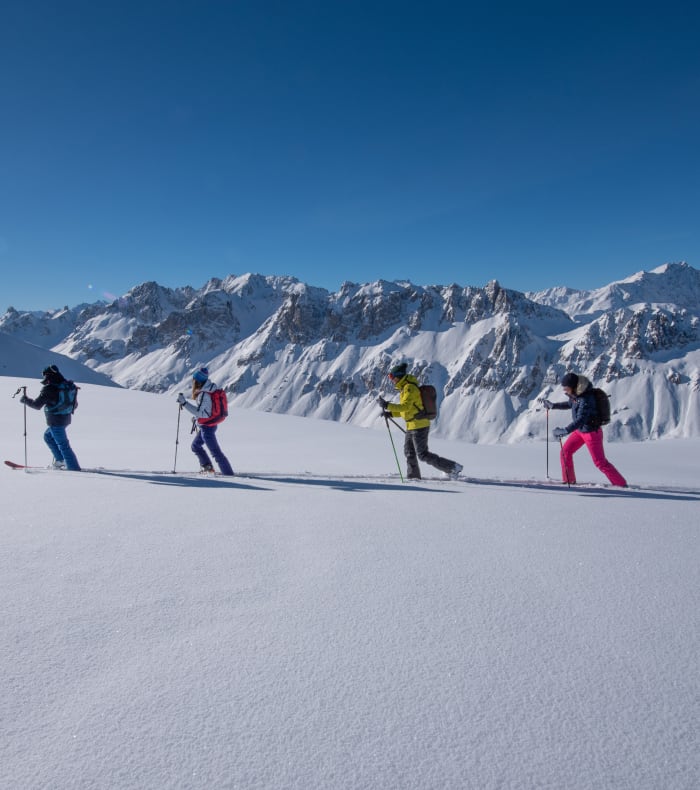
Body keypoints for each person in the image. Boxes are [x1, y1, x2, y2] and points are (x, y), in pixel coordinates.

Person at [378, 361, 463, 481]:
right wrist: (390, 413)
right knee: (409, 453)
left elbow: (405, 407)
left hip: (419, 425)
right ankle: (414, 478)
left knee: (423, 455)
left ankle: (453, 467)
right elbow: (406, 411)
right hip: (411, 425)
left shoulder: (410, 388)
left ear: (399, 377)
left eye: (393, 377)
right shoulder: (404, 389)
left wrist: (387, 405)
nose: (392, 380)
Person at [543, 372, 627, 487]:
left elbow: (581, 419)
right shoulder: (576, 395)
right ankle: (569, 480)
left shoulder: (586, 398)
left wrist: (565, 430)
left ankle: (621, 484)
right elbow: (569, 404)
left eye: (566, 388)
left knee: (600, 462)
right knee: (565, 452)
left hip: (592, 433)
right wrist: (554, 405)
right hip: (581, 432)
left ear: (573, 387)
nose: (565, 391)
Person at [20, 364, 81, 471]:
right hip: (65, 419)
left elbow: (37, 405)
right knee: (48, 437)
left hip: (55, 421)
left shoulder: (49, 389)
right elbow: (74, 404)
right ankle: (60, 460)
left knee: (63, 445)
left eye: (44, 376)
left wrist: (25, 400)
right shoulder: (67, 385)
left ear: (48, 375)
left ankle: (73, 467)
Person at [177, 367, 234, 475]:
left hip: (207, 428)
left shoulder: (204, 394)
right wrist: (197, 418)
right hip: (208, 425)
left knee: (216, 453)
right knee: (195, 446)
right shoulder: (207, 390)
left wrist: (184, 403)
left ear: (196, 380)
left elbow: (203, 413)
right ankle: (208, 468)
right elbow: (206, 411)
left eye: (193, 379)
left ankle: (229, 474)